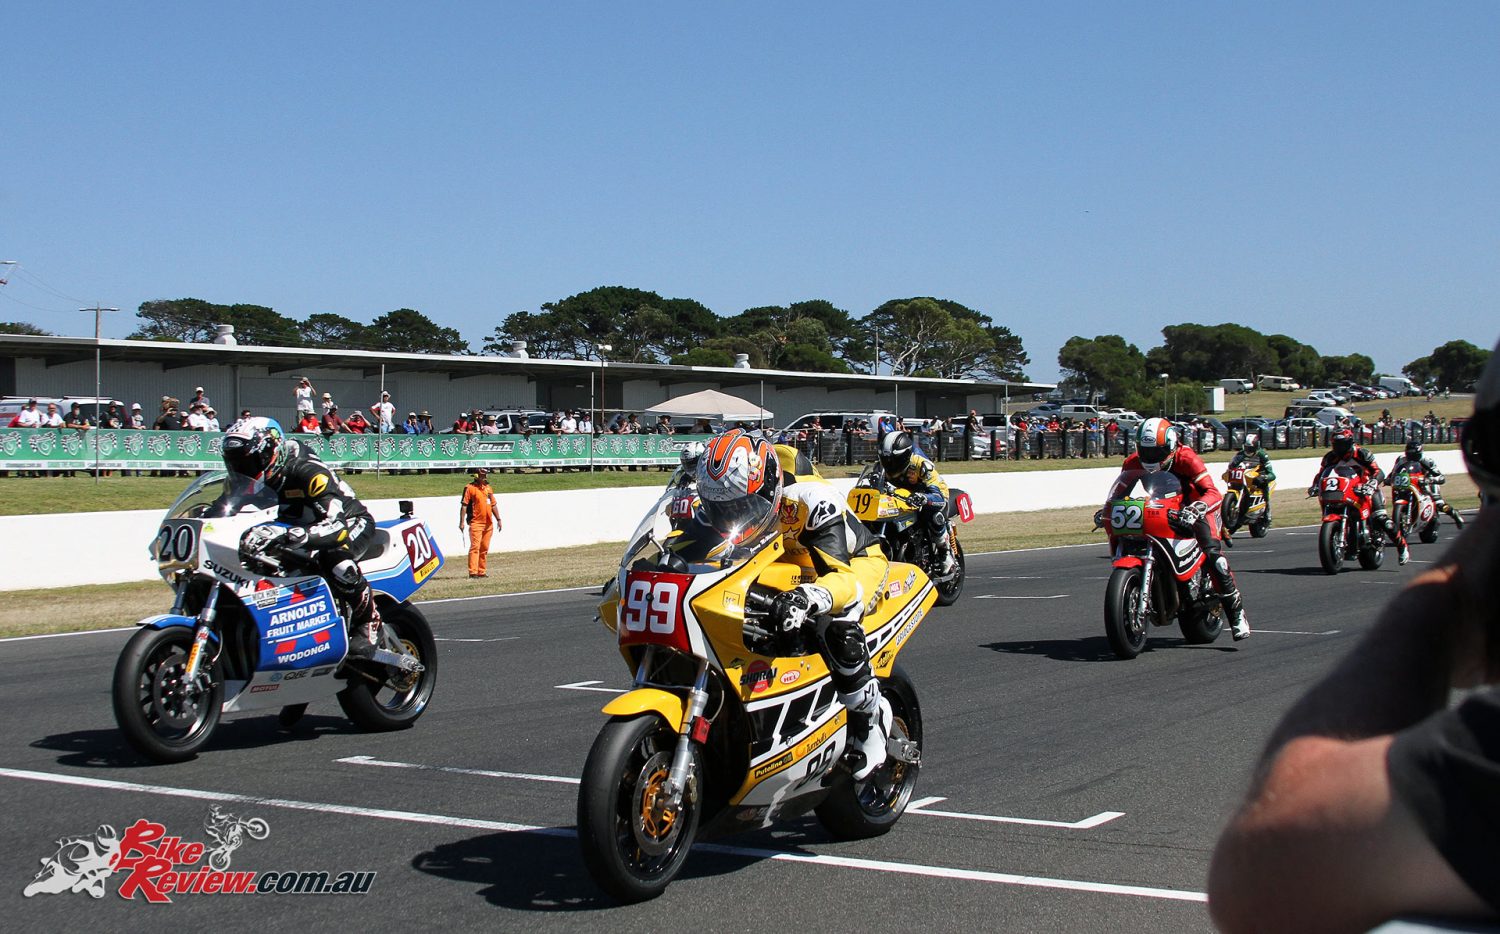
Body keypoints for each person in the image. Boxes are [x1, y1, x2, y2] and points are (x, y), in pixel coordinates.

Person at [1208, 342, 1500, 932]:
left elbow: (1273, 872)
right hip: (1333, 505)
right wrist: (1320, 482)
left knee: (1384, 512)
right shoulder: (1331, 458)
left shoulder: (1367, 458)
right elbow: (1317, 473)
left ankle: (1391, 542)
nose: (1341, 443)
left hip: (1361, 506)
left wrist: (1447, 597)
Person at [685, 429, 894, 780]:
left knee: (837, 624)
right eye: (721, 509)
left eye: (742, 507)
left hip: (848, 563)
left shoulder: (811, 499)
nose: (731, 515)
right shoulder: (726, 490)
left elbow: (841, 578)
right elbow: (687, 542)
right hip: (779, 561)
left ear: (767, 490)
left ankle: (871, 720)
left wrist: (811, 595)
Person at [221, 418, 394, 663]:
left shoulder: (306, 471)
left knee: (335, 559)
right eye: (235, 462)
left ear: (272, 451)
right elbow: (216, 513)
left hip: (349, 521)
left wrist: (292, 535)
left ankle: (369, 621)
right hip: (294, 529)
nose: (242, 469)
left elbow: (337, 527)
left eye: (248, 462)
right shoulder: (239, 483)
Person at [1105, 417, 1250, 639]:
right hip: (1160, 508)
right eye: (1145, 451)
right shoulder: (1132, 462)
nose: (1150, 457)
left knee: (1213, 555)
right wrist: (1107, 509)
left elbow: (1212, 492)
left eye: (1157, 452)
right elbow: (1124, 491)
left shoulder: (1187, 458)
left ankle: (1236, 612)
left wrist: (1196, 509)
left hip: (1195, 508)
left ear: (1171, 447)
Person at [1308, 427, 1409, 564]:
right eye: (1336, 444)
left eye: (1342, 444)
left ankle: (1402, 547)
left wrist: (1372, 483)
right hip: (1346, 489)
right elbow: (1321, 474)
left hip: (1367, 489)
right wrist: (1315, 486)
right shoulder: (1330, 457)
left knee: (1382, 519)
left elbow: (1378, 472)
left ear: (1350, 442)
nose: (1339, 447)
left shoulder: (1362, 453)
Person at [877, 430, 957, 575]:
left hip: (931, 493)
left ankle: (945, 554)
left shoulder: (921, 464)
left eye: (893, 460)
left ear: (905, 456)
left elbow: (937, 495)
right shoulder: (882, 465)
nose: (889, 464)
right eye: (886, 460)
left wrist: (925, 498)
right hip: (903, 494)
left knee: (933, 514)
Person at [1389, 439, 1465, 529]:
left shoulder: (1427, 461)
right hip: (1408, 483)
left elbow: (1441, 477)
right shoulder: (1401, 460)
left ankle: (1454, 514)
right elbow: (1394, 472)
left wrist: (1429, 480)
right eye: (1409, 454)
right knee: (1398, 493)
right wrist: (1389, 479)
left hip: (1425, 483)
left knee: (1438, 502)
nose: (1411, 457)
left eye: (1414, 454)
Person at [1224, 432, 1277, 524]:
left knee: (1264, 486)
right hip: (1243, 477)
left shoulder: (1262, 455)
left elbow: (1272, 474)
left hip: (1257, 478)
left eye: (1251, 448)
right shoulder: (1240, 455)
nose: (1248, 450)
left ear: (1256, 447)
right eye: (1247, 447)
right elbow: (1231, 465)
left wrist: (1264, 477)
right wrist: (1229, 471)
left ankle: (1267, 512)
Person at [458, 467, 500, 578]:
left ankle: (482, 571)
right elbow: (464, 506)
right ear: (476, 476)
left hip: (488, 523)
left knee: (484, 548)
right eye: (482, 475)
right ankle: (473, 572)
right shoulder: (469, 488)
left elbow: (493, 504)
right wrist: (462, 522)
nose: (484, 477)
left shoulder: (488, 488)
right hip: (476, 522)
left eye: (485, 475)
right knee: (475, 547)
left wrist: (499, 519)